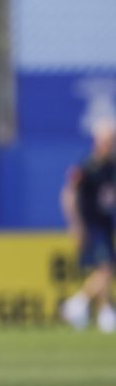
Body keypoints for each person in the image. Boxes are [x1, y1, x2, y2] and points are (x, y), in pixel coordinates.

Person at [60, 116, 116, 333]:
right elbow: (69, 195)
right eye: (107, 140)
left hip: (104, 223)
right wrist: (76, 225)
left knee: (102, 269)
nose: (110, 145)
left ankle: (105, 314)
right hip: (91, 225)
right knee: (106, 268)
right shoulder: (88, 166)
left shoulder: (111, 166)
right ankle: (77, 304)